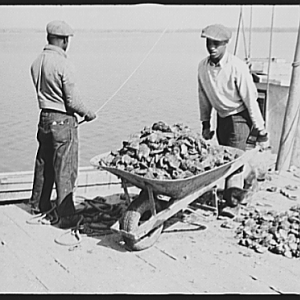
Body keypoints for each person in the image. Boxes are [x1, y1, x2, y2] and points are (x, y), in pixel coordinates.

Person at [29, 20, 97, 228]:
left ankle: (38, 205)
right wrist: (88, 113)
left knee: (44, 163)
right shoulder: (63, 63)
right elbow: (72, 101)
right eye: (68, 40)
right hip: (63, 121)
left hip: (44, 118)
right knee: (65, 168)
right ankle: (66, 215)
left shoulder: (37, 62)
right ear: (64, 40)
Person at [197, 24, 268, 151]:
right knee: (223, 156)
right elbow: (203, 98)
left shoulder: (237, 66)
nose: (212, 47)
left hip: (239, 118)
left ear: (225, 44)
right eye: (209, 43)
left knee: (235, 159)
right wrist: (206, 124)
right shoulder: (203, 66)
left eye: (216, 43)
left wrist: (261, 131)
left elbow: (250, 99)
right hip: (222, 118)